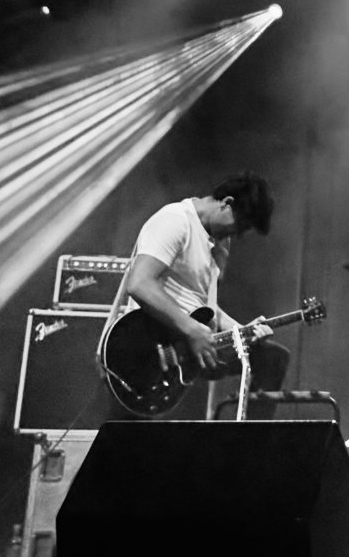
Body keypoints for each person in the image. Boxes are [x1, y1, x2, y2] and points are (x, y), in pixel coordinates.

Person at [105, 171, 291, 416]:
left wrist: (243, 331)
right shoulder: (176, 221)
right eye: (240, 226)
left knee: (270, 357)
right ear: (227, 203)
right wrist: (192, 329)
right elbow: (140, 283)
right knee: (133, 432)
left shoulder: (218, 243)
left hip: (192, 344)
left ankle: (251, 439)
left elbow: (205, 307)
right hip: (154, 345)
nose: (236, 235)